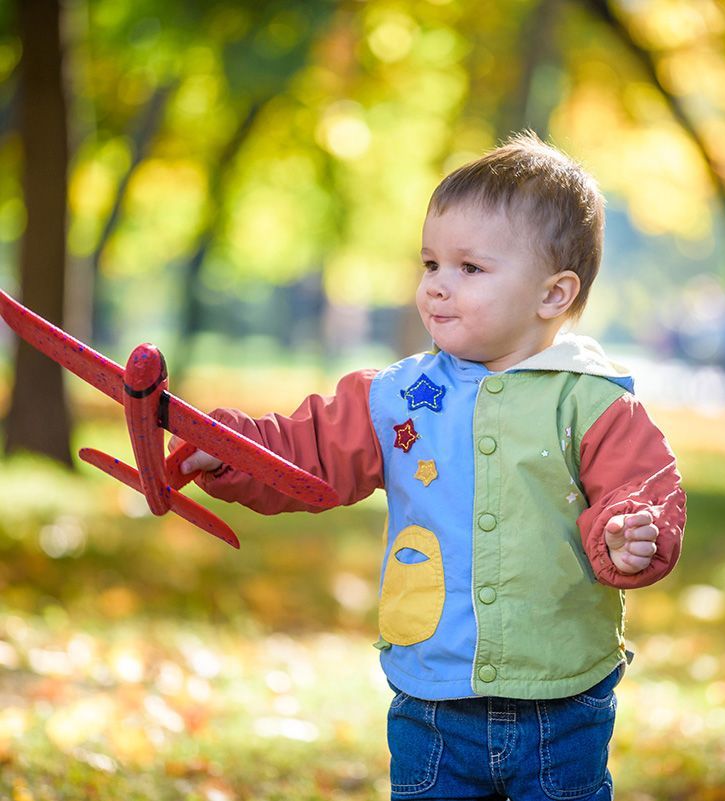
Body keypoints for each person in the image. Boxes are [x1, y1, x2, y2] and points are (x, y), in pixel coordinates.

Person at [171, 131, 686, 801]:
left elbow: (640, 485)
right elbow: (309, 450)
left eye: (469, 269)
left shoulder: (588, 399)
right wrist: (227, 446)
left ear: (553, 295)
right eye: (430, 263)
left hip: (560, 696)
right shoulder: (395, 395)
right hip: (431, 695)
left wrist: (628, 529)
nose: (437, 287)